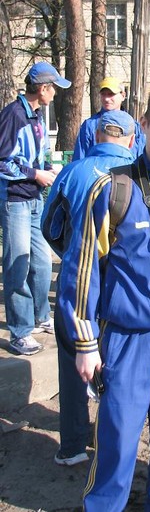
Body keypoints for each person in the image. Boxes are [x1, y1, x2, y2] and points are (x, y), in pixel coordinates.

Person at [57, 86, 150, 511]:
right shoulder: (113, 189)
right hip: (127, 338)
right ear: (143, 126)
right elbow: (81, 271)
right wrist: (85, 343)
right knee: (118, 439)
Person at [41, 110, 137, 466]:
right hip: (122, 290)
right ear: (132, 140)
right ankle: (113, 443)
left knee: (72, 361)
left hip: (76, 286)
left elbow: (49, 226)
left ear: (95, 137)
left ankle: (73, 446)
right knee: (120, 365)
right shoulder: (139, 175)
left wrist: (71, 255)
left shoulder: (72, 172)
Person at [0, 61, 71, 356]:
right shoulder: (13, 115)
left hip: (35, 199)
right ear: (42, 88)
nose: (55, 93)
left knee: (41, 263)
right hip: (14, 200)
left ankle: (42, 317)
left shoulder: (37, 115)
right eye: (53, 88)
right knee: (17, 265)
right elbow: (3, 162)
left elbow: (39, 153)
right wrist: (35, 174)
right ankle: (20, 331)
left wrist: (49, 170)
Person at [72, 76, 145, 161]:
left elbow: (142, 158)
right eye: (103, 94)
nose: (106, 99)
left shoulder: (135, 127)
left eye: (111, 94)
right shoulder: (89, 126)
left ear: (123, 96)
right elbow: (79, 159)